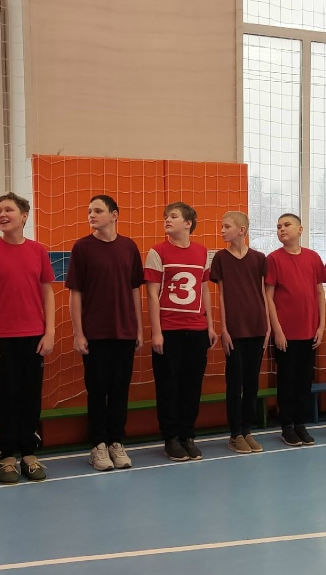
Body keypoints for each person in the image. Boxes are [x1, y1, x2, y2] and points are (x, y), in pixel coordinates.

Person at [0, 192, 56, 485]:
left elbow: (47, 292)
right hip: (1, 340)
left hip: (34, 337)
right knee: (6, 399)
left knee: (30, 398)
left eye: (8, 209)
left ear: (24, 216)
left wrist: (50, 331)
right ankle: (7, 457)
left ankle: (29, 455)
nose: (2, 214)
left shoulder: (38, 251)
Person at [66, 195, 144, 472]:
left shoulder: (129, 247)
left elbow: (135, 290)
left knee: (120, 390)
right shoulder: (82, 248)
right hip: (95, 334)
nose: (91, 215)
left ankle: (116, 442)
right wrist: (78, 333)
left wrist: (138, 327)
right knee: (97, 391)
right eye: (89, 211)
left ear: (114, 215)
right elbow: (75, 293)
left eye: (98, 210)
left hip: (125, 333)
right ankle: (98, 445)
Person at [146, 202, 216, 461]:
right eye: (166, 216)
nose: (167, 219)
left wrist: (210, 325)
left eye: (173, 216)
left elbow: (204, 289)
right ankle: (171, 437)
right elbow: (152, 294)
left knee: (192, 386)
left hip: (196, 330)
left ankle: (188, 435)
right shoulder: (157, 252)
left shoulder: (202, 252)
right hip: (169, 331)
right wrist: (157, 332)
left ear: (188, 223)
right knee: (168, 386)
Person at [265, 213, 326, 446]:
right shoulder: (273, 259)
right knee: (287, 381)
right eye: (278, 226)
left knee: (304, 381)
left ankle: (301, 424)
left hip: (309, 332)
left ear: (300, 230)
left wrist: (321, 325)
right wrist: (278, 330)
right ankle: (287, 426)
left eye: (287, 225)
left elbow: (319, 291)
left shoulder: (313, 257)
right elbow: (269, 297)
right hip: (286, 335)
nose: (281, 229)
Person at [211, 211, 269, 453]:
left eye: (227, 226)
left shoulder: (259, 258)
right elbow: (221, 295)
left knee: (252, 382)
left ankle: (247, 431)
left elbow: (263, 293)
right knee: (235, 383)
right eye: (222, 226)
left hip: (257, 327)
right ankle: (235, 434)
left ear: (242, 230)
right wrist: (224, 329)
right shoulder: (220, 258)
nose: (222, 230)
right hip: (234, 330)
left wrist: (267, 326)